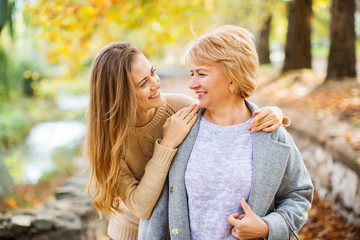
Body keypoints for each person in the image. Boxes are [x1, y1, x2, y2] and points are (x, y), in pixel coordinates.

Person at [86, 42, 289, 240]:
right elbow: (141, 207)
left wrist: (273, 113)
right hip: (130, 233)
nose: (157, 83)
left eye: (153, 72)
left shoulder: (180, 108)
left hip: (175, 230)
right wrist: (166, 145)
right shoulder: (108, 142)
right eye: (143, 83)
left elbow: (228, 113)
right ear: (121, 95)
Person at [139, 25, 313, 240]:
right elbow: (158, 207)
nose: (192, 84)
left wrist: (267, 227)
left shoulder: (271, 134)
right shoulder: (180, 127)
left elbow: (298, 194)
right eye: (191, 73)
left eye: (202, 74)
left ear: (234, 77)